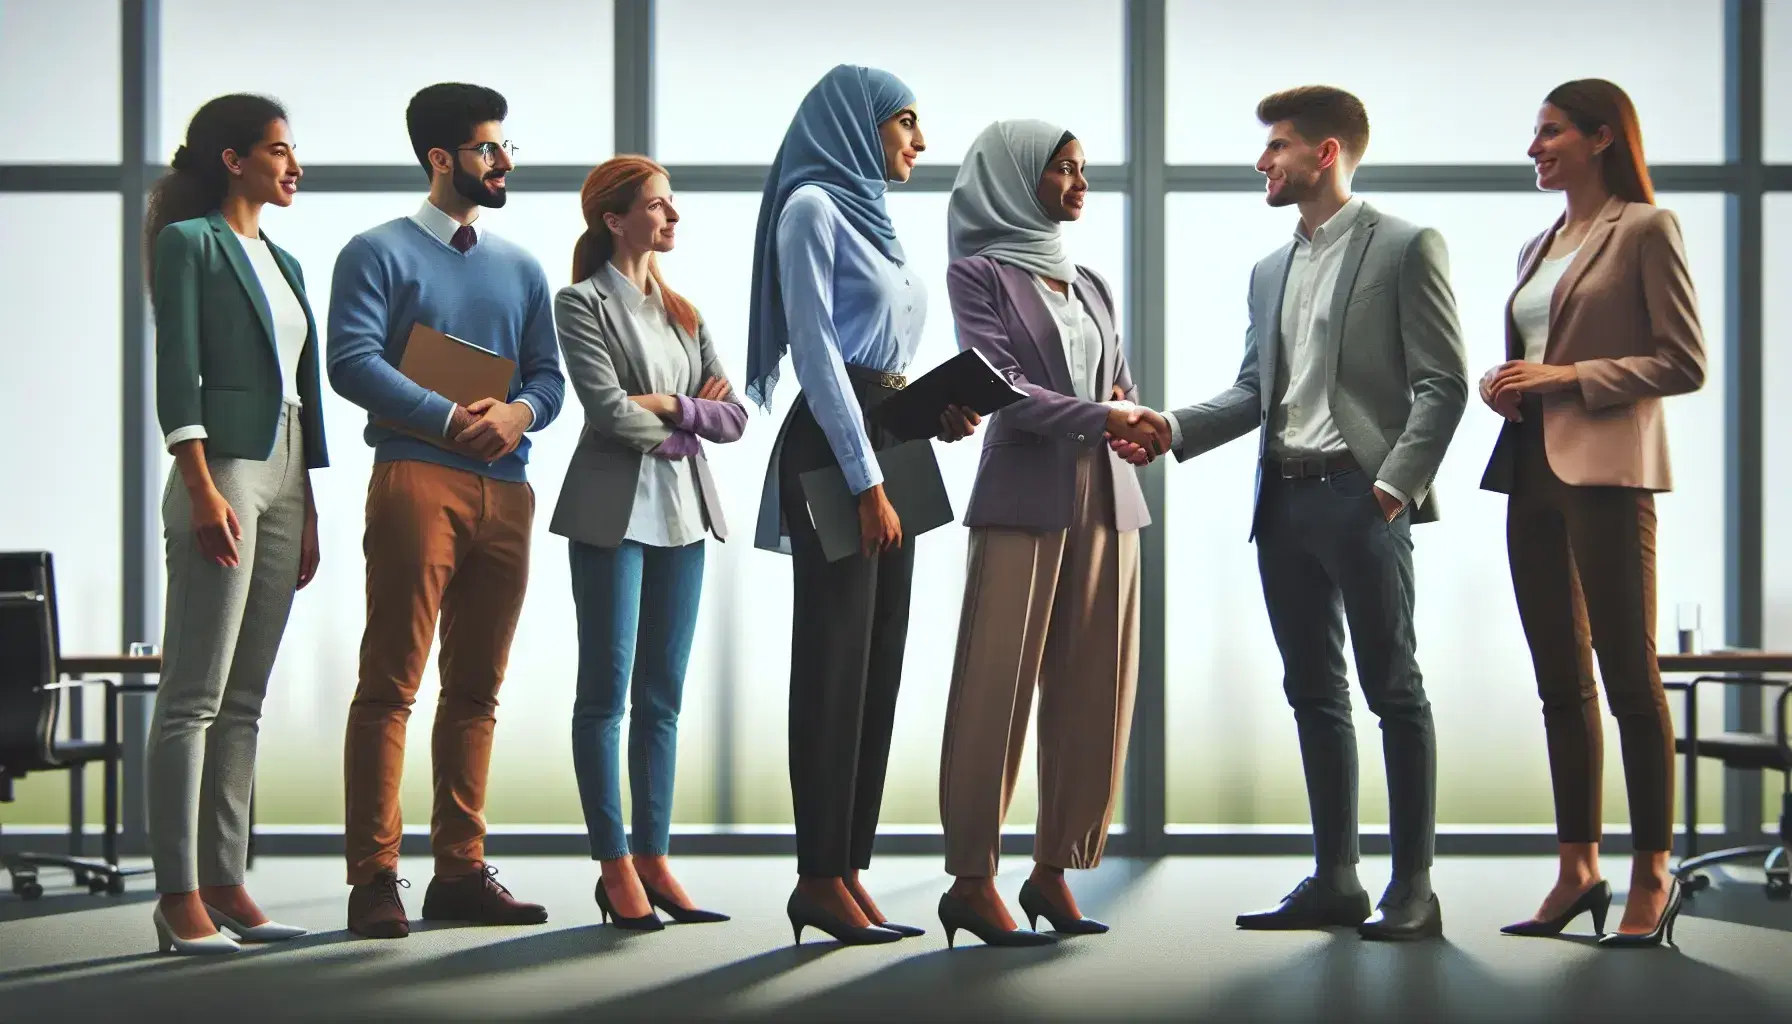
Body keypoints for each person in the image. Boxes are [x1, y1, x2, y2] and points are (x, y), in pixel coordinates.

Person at [1115, 85, 1468, 940]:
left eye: (1276, 146)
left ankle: (1413, 886)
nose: (1262, 161)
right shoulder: (1269, 270)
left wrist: (1393, 487)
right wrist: (1171, 427)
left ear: (1326, 154)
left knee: (1394, 689)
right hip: (1282, 502)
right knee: (1313, 692)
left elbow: (1443, 383)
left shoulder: (1406, 245)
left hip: (1362, 496)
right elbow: (1252, 392)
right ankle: (1336, 878)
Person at [745, 63, 979, 946]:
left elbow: (882, 360)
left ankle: (847, 868)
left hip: (892, 436)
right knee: (834, 661)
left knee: (880, 662)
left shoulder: (875, 219)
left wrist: (933, 413)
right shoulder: (811, 208)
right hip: (840, 453)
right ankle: (815, 875)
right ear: (856, 123)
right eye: (905, 123)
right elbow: (816, 353)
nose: (918, 142)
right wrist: (866, 480)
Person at [327, 82, 565, 939]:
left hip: (507, 487)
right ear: (442, 159)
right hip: (417, 478)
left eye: (504, 147)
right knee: (390, 683)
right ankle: (374, 879)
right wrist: (448, 418)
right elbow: (350, 363)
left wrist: (517, 414)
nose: (504, 161)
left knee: (477, 689)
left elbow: (548, 376)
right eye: (488, 149)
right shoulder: (375, 252)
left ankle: (460, 873)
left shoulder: (522, 267)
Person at [1479, 79, 1705, 948]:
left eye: (1550, 132)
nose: (1535, 148)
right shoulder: (1540, 244)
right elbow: (1538, 355)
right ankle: (1577, 869)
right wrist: (1505, 383)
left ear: (1602, 136)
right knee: (1558, 683)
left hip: (1609, 475)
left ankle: (1653, 872)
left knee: (1629, 678)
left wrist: (1565, 379)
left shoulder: (1646, 230)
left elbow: (1682, 362)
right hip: (1531, 470)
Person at [935, 119, 1157, 948]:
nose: (1080, 182)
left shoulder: (1091, 282)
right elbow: (1004, 389)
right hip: (1024, 494)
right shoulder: (979, 274)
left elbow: (1119, 378)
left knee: (1096, 689)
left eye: (1082, 168)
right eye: (1062, 169)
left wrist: (1129, 422)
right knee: (995, 688)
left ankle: (1054, 870)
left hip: (1110, 499)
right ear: (1015, 177)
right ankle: (971, 878)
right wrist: (1108, 415)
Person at [143, 93, 327, 956]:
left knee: (245, 701)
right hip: (220, 467)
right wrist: (201, 479)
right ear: (232, 159)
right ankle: (177, 896)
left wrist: (309, 502)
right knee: (194, 696)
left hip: (286, 471)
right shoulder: (190, 244)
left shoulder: (285, 261)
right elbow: (179, 365)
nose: (295, 165)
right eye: (280, 150)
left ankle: (226, 882)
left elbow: (302, 390)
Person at [552, 156, 746, 931]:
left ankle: (656, 856)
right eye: (659, 207)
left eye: (673, 206)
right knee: (604, 696)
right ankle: (614, 863)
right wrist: (685, 421)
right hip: (611, 515)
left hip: (684, 517)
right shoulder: (579, 304)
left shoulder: (686, 312)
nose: (673, 219)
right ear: (614, 218)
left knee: (660, 699)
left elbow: (732, 419)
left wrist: (668, 406)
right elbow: (604, 412)